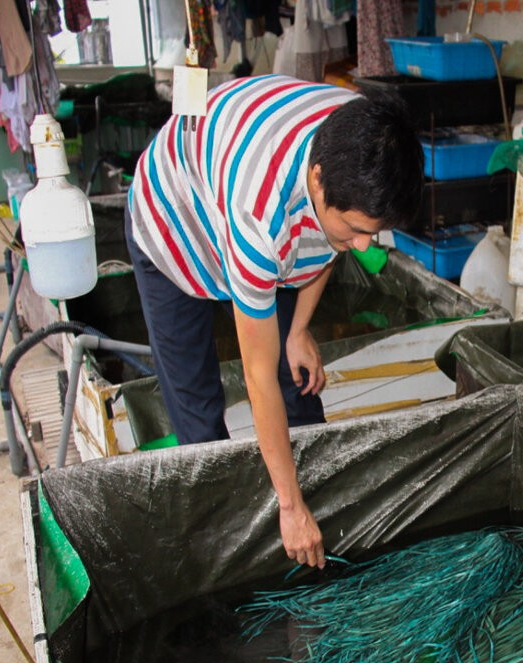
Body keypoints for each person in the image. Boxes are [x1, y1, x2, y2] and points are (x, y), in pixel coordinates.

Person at [124, 75, 424, 570]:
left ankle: (318, 517)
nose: (367, 247)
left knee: (298, 382)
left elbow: (329, 245)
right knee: (200, 415)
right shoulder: (260, 221)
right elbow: (255, 376)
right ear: (318, 179)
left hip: (234, 177)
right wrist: (288, 506)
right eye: (356, 230)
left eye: (377, 231)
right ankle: (229, 548)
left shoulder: (363, 136)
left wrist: (299, 329)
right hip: (172, 221)